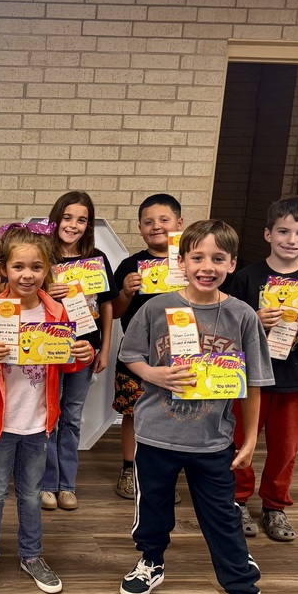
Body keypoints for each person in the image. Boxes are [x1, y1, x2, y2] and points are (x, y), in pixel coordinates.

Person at [116, 219, 276, 594]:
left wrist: (248, 441)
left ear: (231, 263)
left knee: (223, 520)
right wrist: (155, 374)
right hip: (155, 435)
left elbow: (255, 385)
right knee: (153, 508)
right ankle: (152, 561)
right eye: (198, 258)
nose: (207, 267)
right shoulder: (156, 308)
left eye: (218, 259)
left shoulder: (243, 315)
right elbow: (130, 354)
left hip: (213, 441)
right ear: (181, 261)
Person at [0, 225, 94, 594]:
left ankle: (31, 555)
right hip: (0, 422)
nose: (27, 275)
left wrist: (81, 355)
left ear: (47, 269)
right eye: (19, 267)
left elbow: (66, 364)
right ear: (3, 269)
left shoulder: (56, 311)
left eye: (36, 267)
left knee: (30, 492)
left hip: (40, 422)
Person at [227, 197, 298, 542]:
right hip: (251, 379)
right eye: (283, 231)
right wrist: (256, 321)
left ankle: (275, 506)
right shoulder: (248, 277)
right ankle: (237, 501)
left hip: (296, 379)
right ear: (267, 234)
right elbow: (228, 328)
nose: (291, 239)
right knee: (240, 442)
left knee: (285, 449)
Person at [42, 191, 118, 511]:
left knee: (72, 417)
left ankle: (67, 484)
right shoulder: (42, 256)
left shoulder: (97, 259)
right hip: (49, 348)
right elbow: (21, 297)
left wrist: (105, 349)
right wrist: (45, 290)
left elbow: (107, 305)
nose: (73, 225)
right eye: (68, 217)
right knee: (50, 417)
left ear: (88, 225)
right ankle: (46, 483)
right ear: (56, 219)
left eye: (82, 219)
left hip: (86, 348)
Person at [111, 193, 184, 499]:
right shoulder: (131, 264)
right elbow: (113, 311)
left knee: (176, 414)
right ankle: (129, 469)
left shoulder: (189, 262)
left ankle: (165, 474)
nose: (156, 226)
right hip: (137, 356)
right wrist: (126, 292)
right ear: (140, 228)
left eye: (163, 220)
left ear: (179, 224)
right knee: (134, 412)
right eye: (148, 222)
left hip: (181, 354)